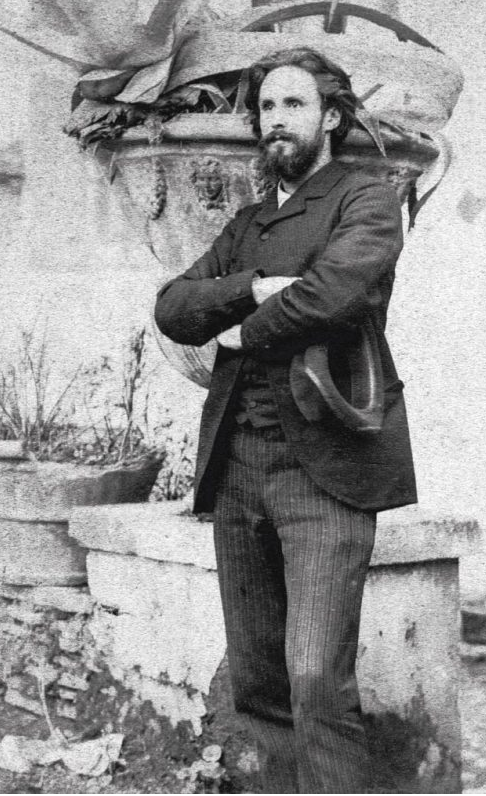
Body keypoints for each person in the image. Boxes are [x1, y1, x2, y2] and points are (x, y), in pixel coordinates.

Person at [154, 47, 417, 794]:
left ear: (330, 117)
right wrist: (253, 286)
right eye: (267, 107)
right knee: (260, 679)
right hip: (237, 467)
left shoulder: (366, 199)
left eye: (293, 104)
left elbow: (335, 293)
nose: (276, 119)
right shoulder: (247, 226)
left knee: (316, 678)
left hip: (325, 468)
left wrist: (240, 331)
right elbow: (173, 307)